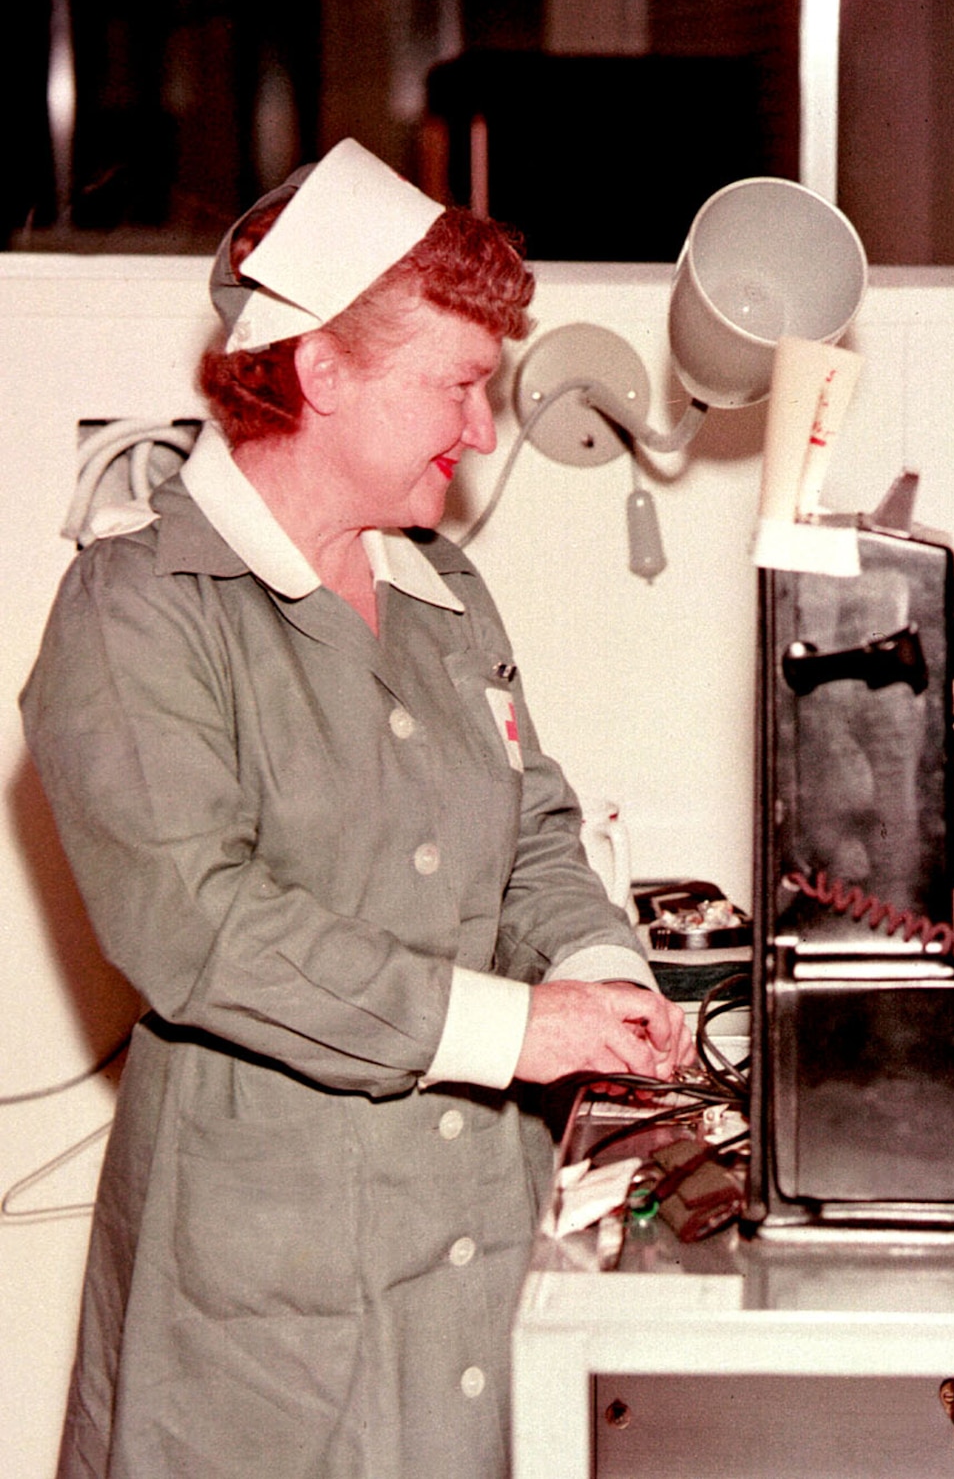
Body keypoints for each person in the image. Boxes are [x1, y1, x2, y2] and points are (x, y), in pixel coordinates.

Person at [22, 139, 694, 1479]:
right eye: (455, 385)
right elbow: (202, 929)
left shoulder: (446, 600)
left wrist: (602, 975)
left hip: (473, 1246)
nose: (484, 429)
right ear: (319, 371)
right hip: (260, 1313)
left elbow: (535, 835)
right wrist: (519, 1026)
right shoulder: (140, 609)